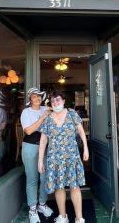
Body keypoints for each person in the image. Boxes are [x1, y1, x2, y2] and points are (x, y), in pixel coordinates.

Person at [38, 90, 89, 223]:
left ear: (63, 101)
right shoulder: (48, 118)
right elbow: (43, 141)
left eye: (58, 100)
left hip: (71, 156)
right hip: (54, 158)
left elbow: (81, 131)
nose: (55, 103)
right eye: (53, 101)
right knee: (59, 187)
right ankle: (63, 216)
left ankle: (79, 218)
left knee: (75, 186)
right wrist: (40, 160)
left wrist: (86, 148)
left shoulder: (72, 113)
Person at [20, 87, 53, 223]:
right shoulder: (26, 112)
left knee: (45, 177)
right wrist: (43, 118)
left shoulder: (46, 109)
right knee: (32, 178)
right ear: (30, 99)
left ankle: (42, 204)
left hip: (46, 147)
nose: (37, 98)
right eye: (34, 96)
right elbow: (28, 131)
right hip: (30, 146)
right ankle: (32, 209)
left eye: (39, 96)